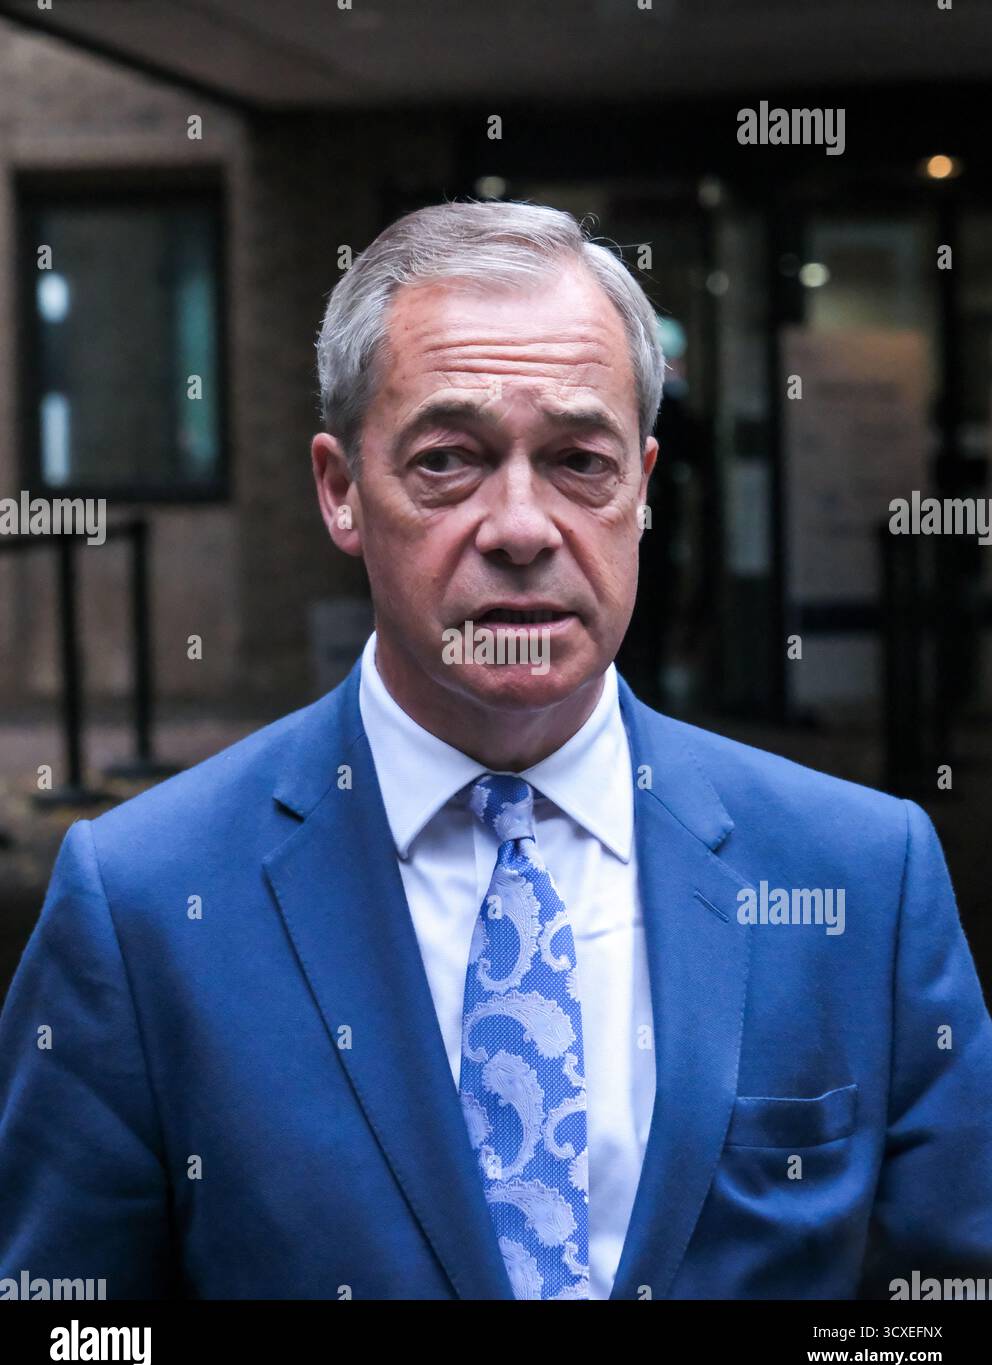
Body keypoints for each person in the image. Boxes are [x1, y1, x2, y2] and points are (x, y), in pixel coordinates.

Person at [1, 200, 990, 1301]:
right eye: (447, 461)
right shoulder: (143, 904)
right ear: (339, 491)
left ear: (642, 488)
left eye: (577, 460)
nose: (520, 526)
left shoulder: (859, 876)